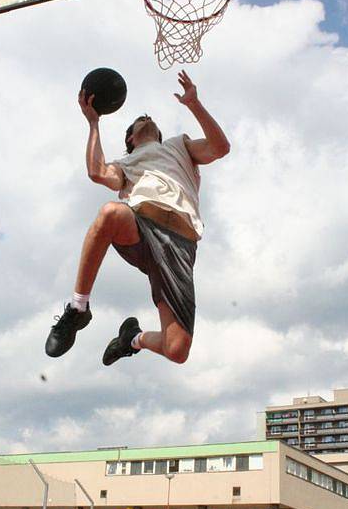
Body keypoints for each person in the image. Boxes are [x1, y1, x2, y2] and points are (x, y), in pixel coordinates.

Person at [45, 71, 230, 367]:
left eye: (149, 119)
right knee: (110, 212)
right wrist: (94, 123)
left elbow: (220, 148)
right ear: (130, 138)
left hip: (181, 247)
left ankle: (131, 338)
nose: (146, 118)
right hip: (142, 229)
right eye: (139, 120)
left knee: (177, 350)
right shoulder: (126, 164)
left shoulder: (179, 146)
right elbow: (97, 172)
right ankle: (78, 309)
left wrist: (194, 104)